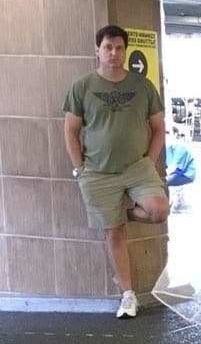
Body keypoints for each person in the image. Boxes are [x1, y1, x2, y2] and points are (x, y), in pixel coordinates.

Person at [64, 24, 169, 319]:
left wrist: (150, 159)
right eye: (108, 47)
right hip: (97, 172)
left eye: (119, 48)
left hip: (138, 167)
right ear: (97, 50)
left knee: (159, 210)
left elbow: (159, 127)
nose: (114, 53)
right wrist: (79, 170)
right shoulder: (82, 87)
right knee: (114, 233)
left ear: (125, 51)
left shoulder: (142, 85)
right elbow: (70, 131)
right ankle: (127, 295)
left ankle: (120, 212)